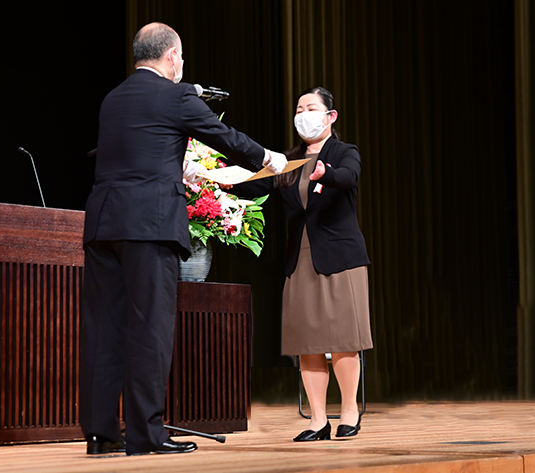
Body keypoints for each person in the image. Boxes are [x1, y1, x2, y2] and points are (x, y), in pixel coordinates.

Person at [80, 22, 287, 456]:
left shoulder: (112, 98)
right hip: (149, 225)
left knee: (105, 330)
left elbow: (143, 151)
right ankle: (146, 434)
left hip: (103, 225)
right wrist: (269, 157)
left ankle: (100, 435)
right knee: (150, 330)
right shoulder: (177, 96)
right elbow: (224, 138)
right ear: (172, 56)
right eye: (182, 57)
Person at [230, 86, 373, 441]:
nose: (303, 114)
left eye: (311, 107)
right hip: (301, 259)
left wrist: (326, 173)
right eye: (299, 108)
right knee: (307, 343)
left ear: (330, 116)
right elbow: (252, 186)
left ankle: (350, 411)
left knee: (342, 339)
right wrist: (211, 176)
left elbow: (349, 177)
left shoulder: (344, 152)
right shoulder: (288, 159)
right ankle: (318, 420)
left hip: (340, 257)